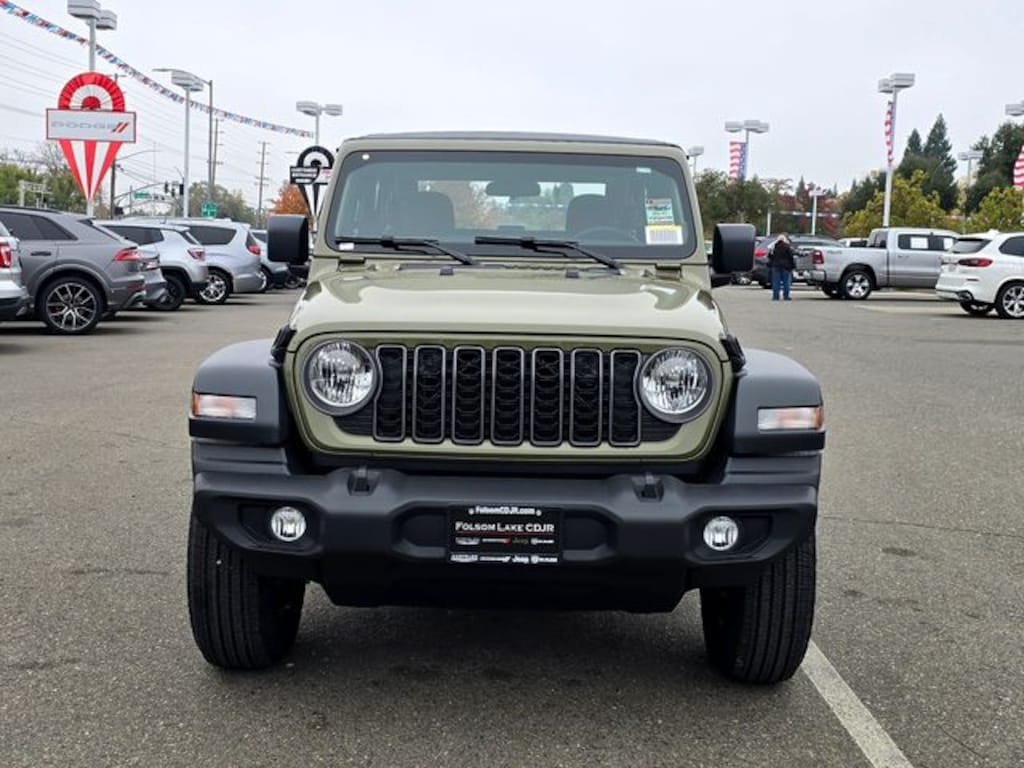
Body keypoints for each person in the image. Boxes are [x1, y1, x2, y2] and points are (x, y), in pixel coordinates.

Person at [769, 234, 795, 301]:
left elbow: (770, 256)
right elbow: (790, 257)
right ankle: (786, 296)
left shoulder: (774, 247)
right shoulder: (787, 247)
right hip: (786, 266)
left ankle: (775, 296)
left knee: (776, 282)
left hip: (776, 266)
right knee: (786, 282)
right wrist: (792, 265)